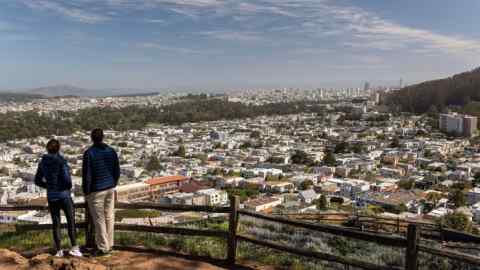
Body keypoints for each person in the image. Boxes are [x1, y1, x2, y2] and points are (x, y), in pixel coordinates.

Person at [35, 139, 82, 257]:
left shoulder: (42, 163)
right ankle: (74, 248)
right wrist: (65, 187)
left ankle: (59, 250)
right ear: (58, 148)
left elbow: (37, 180)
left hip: (52, 197)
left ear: (47, 149)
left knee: (56, 224)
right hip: (64, 195)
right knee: (71, 221)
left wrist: (49, 186)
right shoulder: (61, 161)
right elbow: (67, 180)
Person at [82, 128, 120, 257]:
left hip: (96, 190)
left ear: (92, 138)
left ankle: (103, 248)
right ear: (103, 137)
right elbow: (117, 171)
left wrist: (86, 192)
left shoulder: (89, 153)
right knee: (109, 216)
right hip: (110, 188)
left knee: (99, 219)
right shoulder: (111, 151)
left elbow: (87, 175)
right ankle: (110, 244)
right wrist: (113, 183)